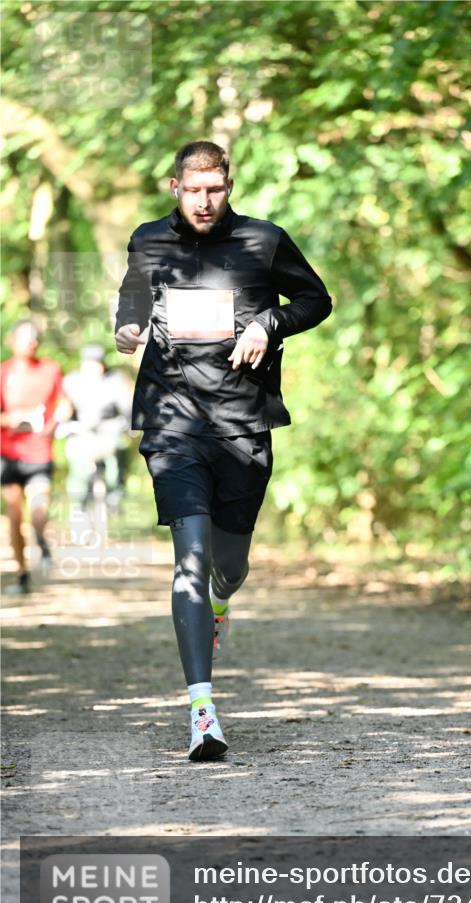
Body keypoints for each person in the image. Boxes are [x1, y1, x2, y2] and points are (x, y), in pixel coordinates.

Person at [115, 140, 332, 762]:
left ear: (228, 186)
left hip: (242, 421)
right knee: (189, 555)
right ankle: (202, 713)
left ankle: (219, 601)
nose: (204, 201)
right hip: (170, 417)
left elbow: (316, 301)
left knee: (228, 566)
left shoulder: (264, 241)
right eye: (193, 189)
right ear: (174, 187)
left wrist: (269, 324)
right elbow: (133, 297)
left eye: (215, 189)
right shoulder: (149, 239)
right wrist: (127, 325)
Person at [1, 319, 72, 593]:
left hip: (39, 451)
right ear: (12, 341)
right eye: (24, 337)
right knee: (15, 515)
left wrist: (55, 423)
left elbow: (64, 403)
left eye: (35, 338)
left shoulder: (50, 369)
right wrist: (11, 419)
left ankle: (42, 540)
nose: (31, 342)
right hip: (8, 453)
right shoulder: (4, 373)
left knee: (39, 512)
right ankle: (21, 575)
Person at [61, 343, 133, 518]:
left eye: (97, 363)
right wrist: (64, 423)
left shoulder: (115, 381)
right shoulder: (72, 382)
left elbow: (128, 408)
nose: (94, 368)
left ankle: (115, 497)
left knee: (116, 459)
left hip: (110, 433)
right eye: (90, 363)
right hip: (81, 434)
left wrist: (130, 426)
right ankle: (79, 509)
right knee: (78, 466)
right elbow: (63, 410)